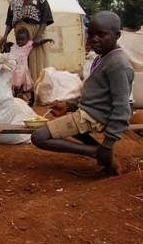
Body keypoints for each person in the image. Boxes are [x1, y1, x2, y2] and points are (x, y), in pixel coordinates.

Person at [31, 11, 133, 175]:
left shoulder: (118, 64)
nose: (94, 39)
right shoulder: (103, 57)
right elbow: (97, 94)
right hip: (91, 113)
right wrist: (70, 105)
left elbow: (122, 108)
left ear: (117, 35)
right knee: (70, 129)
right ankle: (103, 157)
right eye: (90, 34)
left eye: (101, 34)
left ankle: (97, 153)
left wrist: (108, 145)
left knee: (39, 137)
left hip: (95, 117)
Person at [0, 0, 54, 82]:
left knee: (35, 60)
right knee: (21, 60)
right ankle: (23, 87)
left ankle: (36, 85)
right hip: (19, 33)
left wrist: (39, 35)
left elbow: (45, 19)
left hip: (35, 33)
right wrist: (5, 35)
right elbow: (9, 20)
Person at [8, 27, 53, 104]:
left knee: (24, 85)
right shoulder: (15, 46)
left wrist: (47, 40)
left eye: (22, 40)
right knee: (14, 85)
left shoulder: (27, 46)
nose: (20, 42)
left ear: (27, 39)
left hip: (22, 71)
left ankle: (28, 99)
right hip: (14, 70)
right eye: (18, 39)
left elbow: (37, 43)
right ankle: (16, 99)